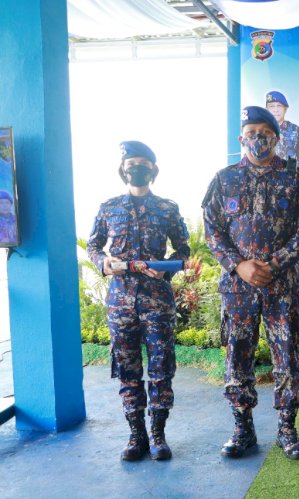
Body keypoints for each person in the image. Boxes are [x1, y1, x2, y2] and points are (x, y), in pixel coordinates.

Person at [202, 106, 299, 460]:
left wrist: (273, 264)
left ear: (276, 138)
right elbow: (212, 229)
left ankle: (288, 429)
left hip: (282, 286)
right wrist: (239, 265)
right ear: (241, 139)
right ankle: (243, 429)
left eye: (264, 133)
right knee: (238, 357)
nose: (257, 139)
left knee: (287, 358)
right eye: (251, 133)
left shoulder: (297, 179)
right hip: (238, 288)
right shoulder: (223, 180)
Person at [87, 141, 190, 461]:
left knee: (161, 367)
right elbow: (93, 246)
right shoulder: (108, 208)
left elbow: (183, 251)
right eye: (131, 164)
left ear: (154, 170)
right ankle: (136, 436)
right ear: (122, 170)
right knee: (127, 369)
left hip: (156, 299)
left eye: (143, 164)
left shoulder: (168, 209)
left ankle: (158, 435)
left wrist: (167, 269)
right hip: (120, 301)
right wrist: (102, 263)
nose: (137, 169)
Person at [266, 91, 299, 171]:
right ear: (266, 109)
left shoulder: (296, 131)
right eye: (272, 106)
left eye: (279, 106)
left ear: (285, 109)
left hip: (290, 180)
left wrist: (292, 175)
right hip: (266, 181)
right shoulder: (260, 131)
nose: (275, 110)